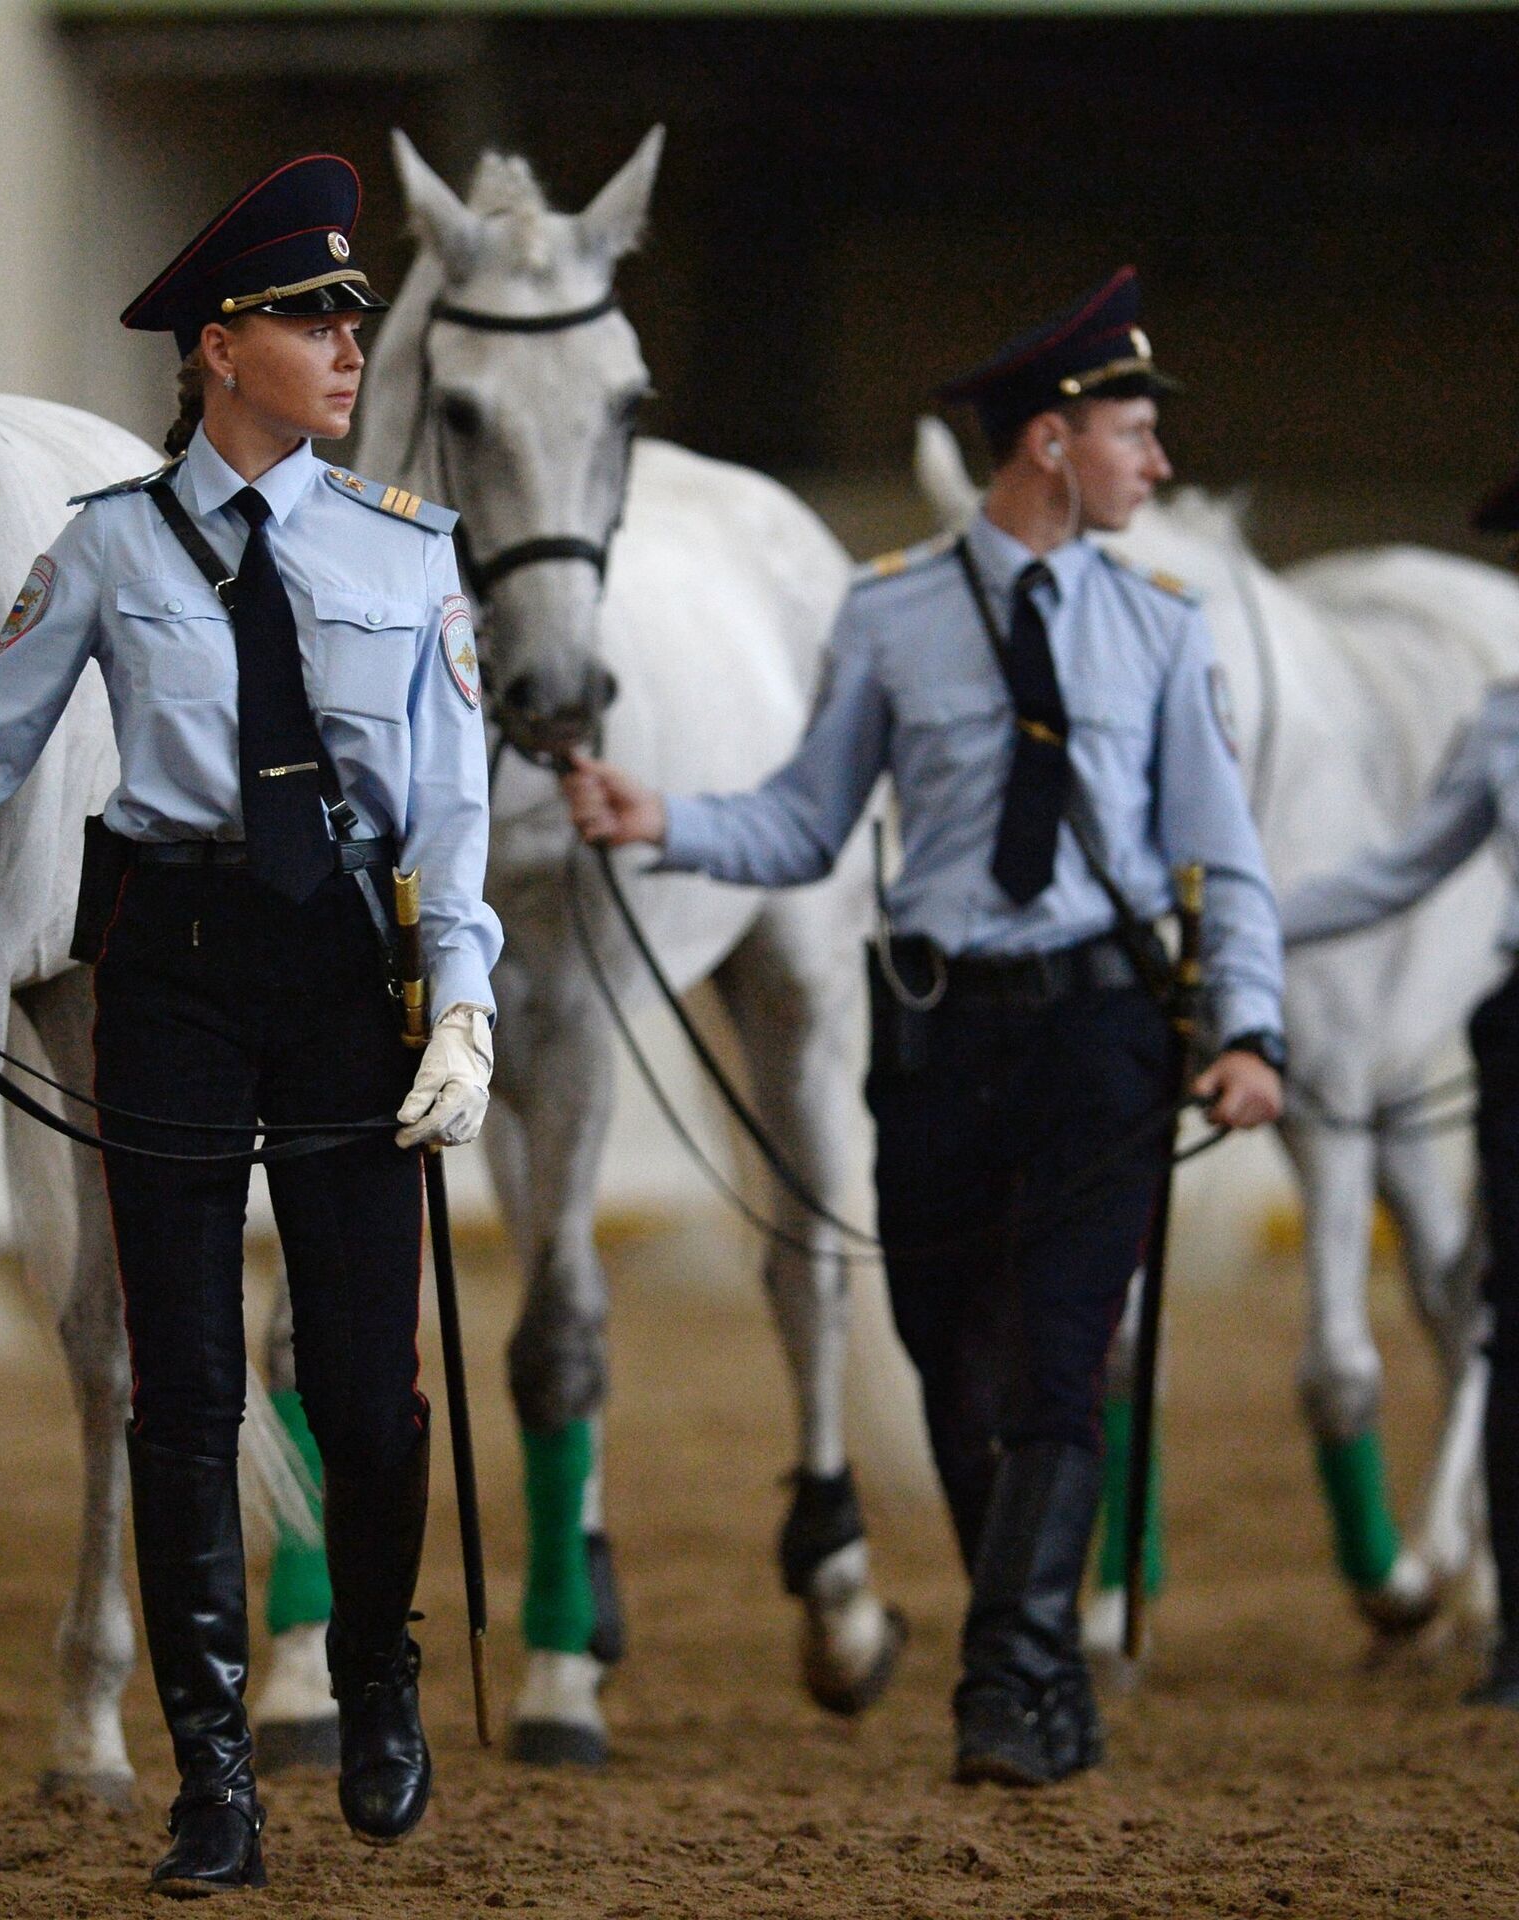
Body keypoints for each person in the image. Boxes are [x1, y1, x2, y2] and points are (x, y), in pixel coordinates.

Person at [0, 154, 500, 1891]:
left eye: (352, 313)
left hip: (353, 984)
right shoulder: (107, 555)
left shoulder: (406, 552)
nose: (349, 340)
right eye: (312, 315)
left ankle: (377, 1671)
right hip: (176, 974)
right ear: (221, 348)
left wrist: (464, 1003)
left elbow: (452, 814)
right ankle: (209, 1762)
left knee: (369, 1398)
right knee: (182, 1387)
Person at [564, 268, 1285, 1787]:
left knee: (1055, 1362)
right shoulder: (889, 616)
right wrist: (665, 817)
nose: (1154, 467)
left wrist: (1248, 1031)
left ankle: (1006, 1681)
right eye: (1134, 436)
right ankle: (1039, 1675)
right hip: (942, 1046)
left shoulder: (1161, 629)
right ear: (1049, 443)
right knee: (948, 1362)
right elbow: (805, 821)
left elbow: (1224, 854)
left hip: (1101, 1035)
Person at [1280, 461, 1519, 1708]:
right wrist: (1251, 919)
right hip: (1516, 1030)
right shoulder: (1501, 723)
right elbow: (1399, 874)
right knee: (1503, 1312)